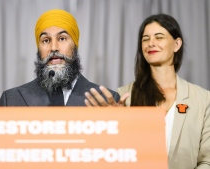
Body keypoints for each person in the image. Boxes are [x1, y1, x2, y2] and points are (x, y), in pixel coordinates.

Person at [85, 14, 210, 169]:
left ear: (177, 44)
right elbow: (113, 156)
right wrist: (114, 126)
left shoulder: (203, 99)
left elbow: (207, 161)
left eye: (159, 37)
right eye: (145, 39)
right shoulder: (124, 96)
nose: (151, 43)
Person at [0, 9, 120, 106]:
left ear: (75, 45)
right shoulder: (11, 99)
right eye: (46, 40)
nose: (54, 47)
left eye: (62, 38)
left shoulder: (106, 101)